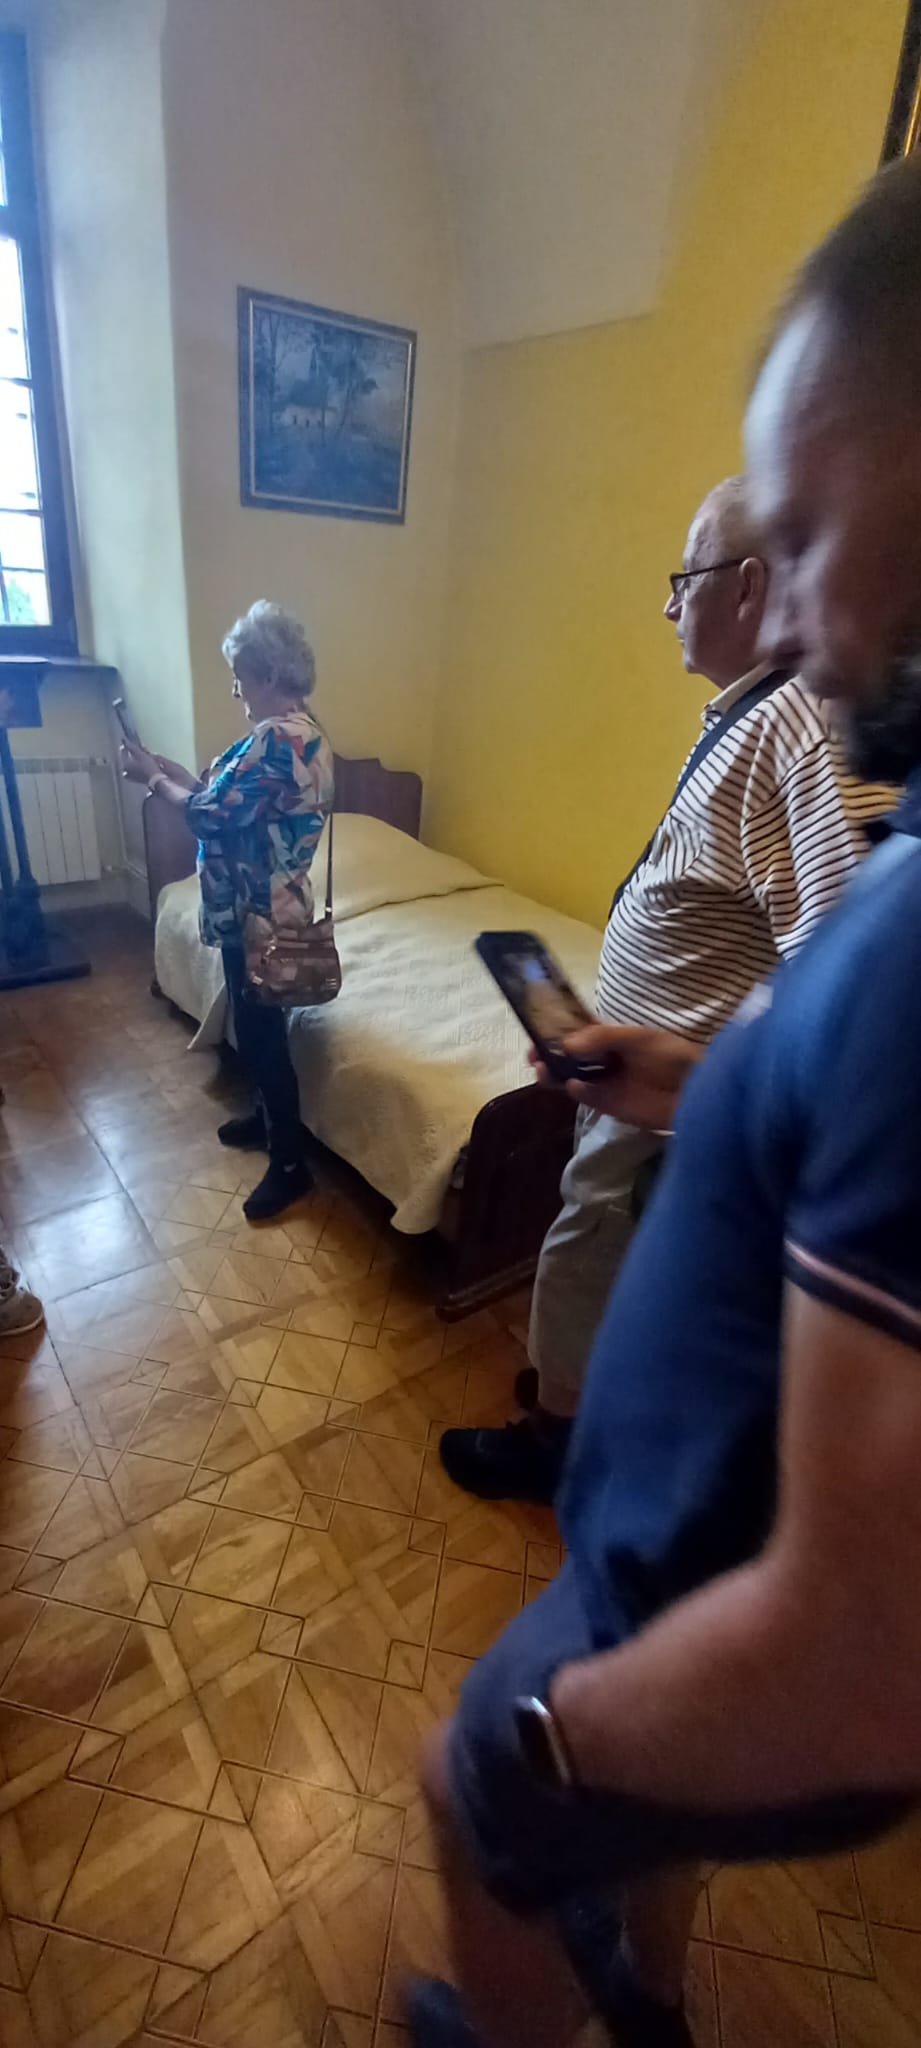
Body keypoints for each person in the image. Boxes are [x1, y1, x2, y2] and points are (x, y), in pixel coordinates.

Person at [408, 152, 921, 2048]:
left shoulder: (890, 896)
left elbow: (857, 1660)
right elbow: (832, 1075)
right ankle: (647, 2001)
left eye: (801, 537)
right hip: (669, 1525)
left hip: (687, 1564)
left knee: (488, 1800)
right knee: (651, 1834)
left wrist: (534, 1742)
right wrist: (704, 1071)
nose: (772, 615)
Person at [440, 476, 894, 1505]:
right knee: (605, 1250)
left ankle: (556, 1441)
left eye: (682, 579)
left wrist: (704, 1078)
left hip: (675, 1097)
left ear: (747, 587)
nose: (665, 604)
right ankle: (583, 1396)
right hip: (651, 1069)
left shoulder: (803, 725)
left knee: (592, 1241)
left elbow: (844, 975)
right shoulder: (757, 712)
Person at [121, 600, 334, 1222]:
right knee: (256, 1023)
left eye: (240, 675)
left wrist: (152, 780)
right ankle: (267, 1121)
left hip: (262, 914)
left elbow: (209, 814)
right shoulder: (300, 731)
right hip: (261, 905)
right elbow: (227, 801)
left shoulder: (277, 738)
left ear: (268, 672)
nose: (235, 689)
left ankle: (290, 1165)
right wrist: (174, 773)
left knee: (264, 1037)